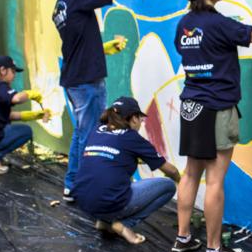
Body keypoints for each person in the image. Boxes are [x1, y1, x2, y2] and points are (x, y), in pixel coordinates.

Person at [172, 0, 252, 252]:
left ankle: (183, 238)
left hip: (191, 106)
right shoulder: (220, 25)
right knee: (215, 180)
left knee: (192, 173)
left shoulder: (183, 25)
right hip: (217, 107)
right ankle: (215, 250)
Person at [49, 0, 149, 203]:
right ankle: (81, 186)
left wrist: (103, 48)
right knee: (89, 135)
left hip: (75, 78)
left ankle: (72, 184)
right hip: (85, 81)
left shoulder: (61, 5)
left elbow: (75, 42)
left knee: (82, 133)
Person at [73, 97, 181, 244]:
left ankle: (104, 221)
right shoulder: (131, 138)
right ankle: (125, 225)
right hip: (108, 202)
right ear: (134, 119)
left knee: (112, 180)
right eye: (140, 118)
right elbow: (171, 170)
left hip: (82, 201)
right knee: (168, 186)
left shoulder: (97, 129)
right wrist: (182, 181)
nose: (142, 122)